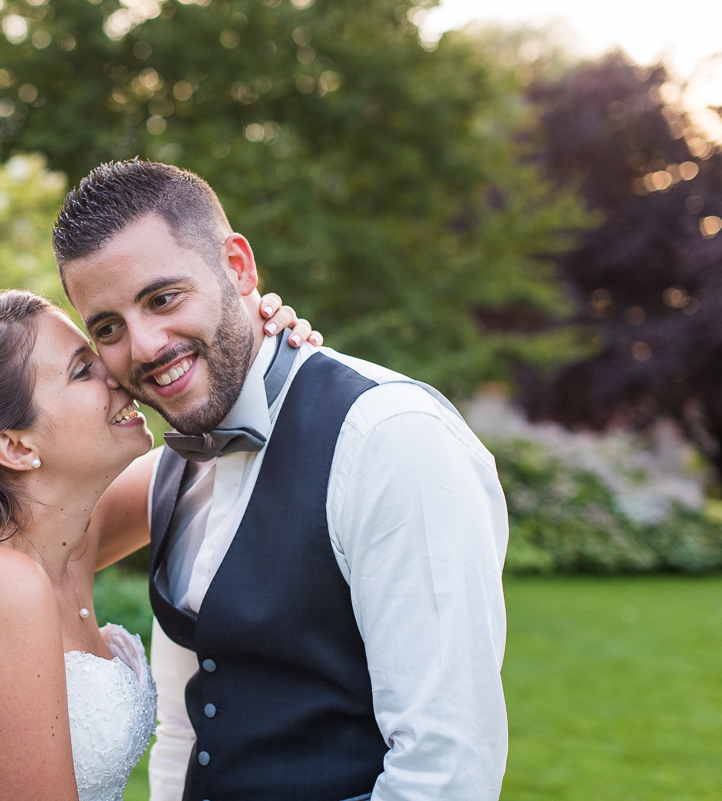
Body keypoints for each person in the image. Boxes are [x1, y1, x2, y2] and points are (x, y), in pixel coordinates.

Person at [56, 160, 510, 801]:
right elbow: (188, 723)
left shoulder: (391, 438)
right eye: (108, 327)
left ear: (238, 267)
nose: (146, 345)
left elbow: (448, 767)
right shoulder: (166, 471)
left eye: (163, 298)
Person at [0, 289, 316, 801]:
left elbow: (226, 444)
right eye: (82, 371)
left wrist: (254, 343)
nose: (120, 370)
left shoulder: (66, 540)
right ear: (17, 446)